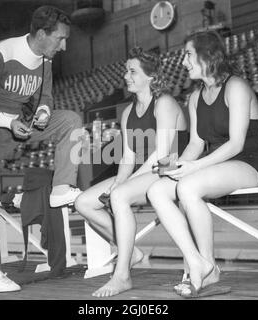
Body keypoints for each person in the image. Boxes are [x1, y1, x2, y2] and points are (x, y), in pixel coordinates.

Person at [0, 6, 82, 292]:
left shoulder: (45, 59)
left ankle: (62, 187)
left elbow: (46, 97)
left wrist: (41, 112)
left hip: (19, 122)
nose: (64, 46)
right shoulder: (0, 54)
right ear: (42, 34)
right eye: (60, 39)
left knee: (71, 121)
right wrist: (8, 120)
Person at [147, 31, 258, 297]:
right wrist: (175, 167)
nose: (183, 62)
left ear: (207, 55)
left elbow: (236, 144)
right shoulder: (195, 98)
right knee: (156, 191)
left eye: (188, 55)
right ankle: (199, 263)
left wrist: (194, 168)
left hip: (247, 163)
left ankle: (206, 265)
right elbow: (195, 145)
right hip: (214, 167)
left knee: (188, 188)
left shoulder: (236, 86)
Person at [74, 47, 188, 297]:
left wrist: (124, 185)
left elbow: (162, 155)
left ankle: (122, 275)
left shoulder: (165, 103)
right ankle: (130, 251)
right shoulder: (127, 112)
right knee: (83, 202)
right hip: (143, 172)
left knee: (119, 196)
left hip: (170, 169)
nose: (126, 76)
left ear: (151, 76)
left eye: (132, 71)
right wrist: (121, 180)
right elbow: (127, 157)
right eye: (126, 71)